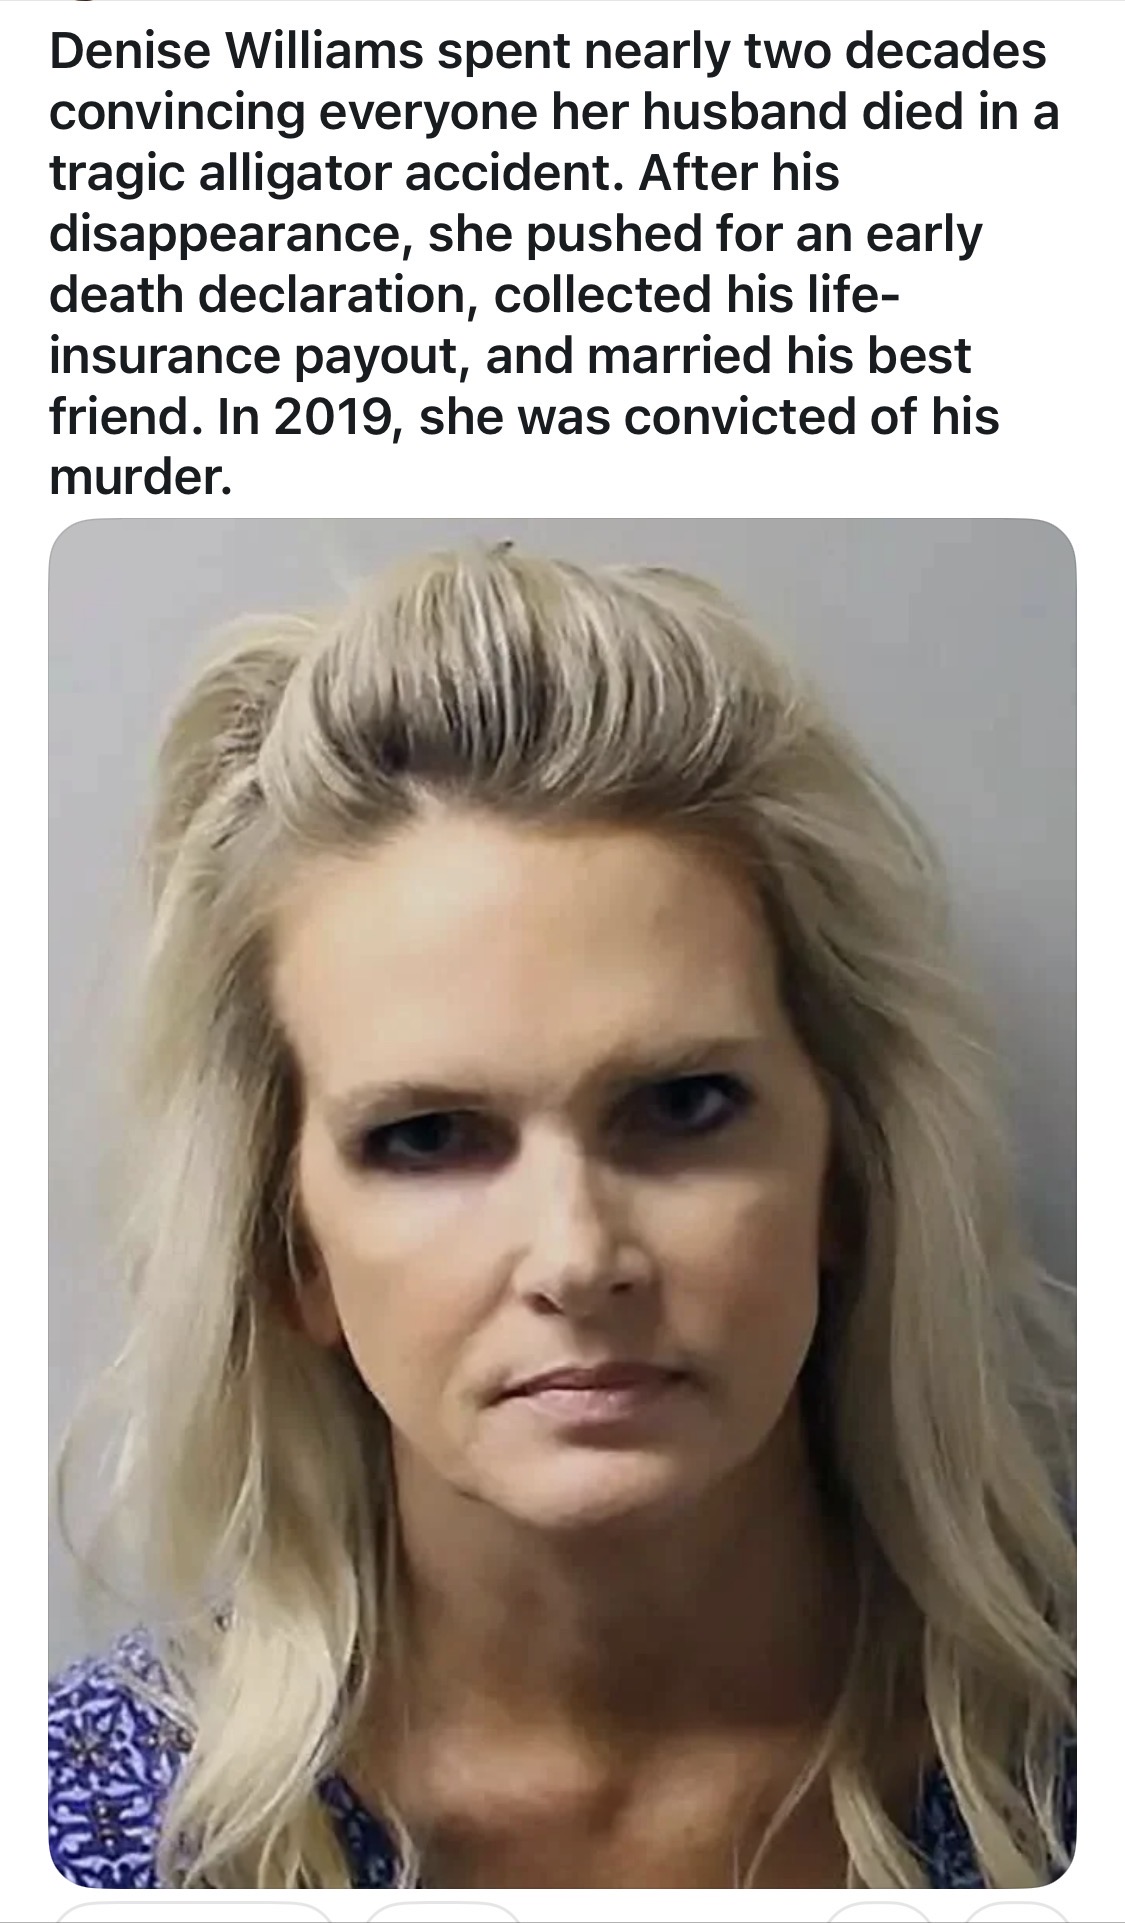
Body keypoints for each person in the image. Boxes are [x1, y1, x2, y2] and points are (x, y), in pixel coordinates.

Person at [48, 545, 1075, 1891]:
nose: (579, 1257)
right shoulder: (84, 1832)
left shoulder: (1068, 1781)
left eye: (684, 1106)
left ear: (846, 1177)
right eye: (427, 1138)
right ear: (291, 1252)